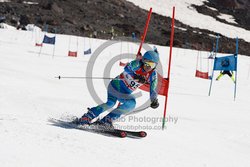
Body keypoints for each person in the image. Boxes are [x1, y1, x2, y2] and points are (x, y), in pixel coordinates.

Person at [77, 49, 160, 128]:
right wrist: (135, 75)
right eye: (147, 63)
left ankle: (106, 120)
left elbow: (153, 88)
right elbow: (127, 68)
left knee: (130, 104)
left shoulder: (153, 74)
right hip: (116, 85)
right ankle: (88, 116)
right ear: (143, 60)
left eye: (152, 65)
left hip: (125, 93)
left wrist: (154, 100)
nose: (149, 67)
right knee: (111, 103)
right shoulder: (137, 64)